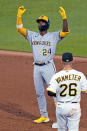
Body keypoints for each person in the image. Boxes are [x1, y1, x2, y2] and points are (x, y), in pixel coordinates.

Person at [16, 6, 70, 124]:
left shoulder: (54, 36)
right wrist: (19, 16)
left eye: (42, 22)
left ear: (47, 24)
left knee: (54, 92)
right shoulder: (32, 35)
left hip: (48, 67)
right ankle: (44, 116)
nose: (40, 24)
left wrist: (64, 18)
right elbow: (20, 29)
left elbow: (65, 31)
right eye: (39, 22)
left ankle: (63, 119)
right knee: (39, 93)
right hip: (36, 67)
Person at [47, 52, 87, 131]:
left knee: (61, 129)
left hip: (61, 107)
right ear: (72, 61)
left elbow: (50, 92)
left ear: (62, 61)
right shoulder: (80, 75)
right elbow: (85, 90)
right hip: (74, 107)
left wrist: (58, 92)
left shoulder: (57, 76)